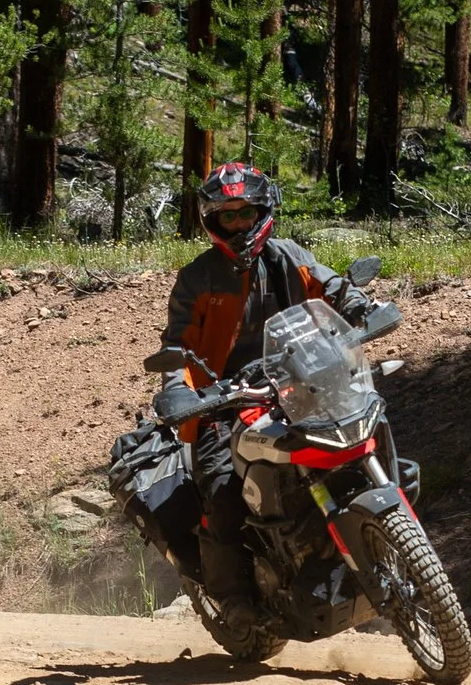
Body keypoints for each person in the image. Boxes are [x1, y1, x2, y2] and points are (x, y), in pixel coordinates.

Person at [158, 163, 369, 621]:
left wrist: (353, 301)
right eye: (227, 215)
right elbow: (177, 346)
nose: (237, 223)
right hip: (226, 400)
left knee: (355, 440)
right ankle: (232, 599)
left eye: (245, 212)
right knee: (222, 488)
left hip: (300, 381)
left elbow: (330, 286)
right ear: (212, 221)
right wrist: (180, 391)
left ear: (261, 211)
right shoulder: (197, 278)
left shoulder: (288, 255)